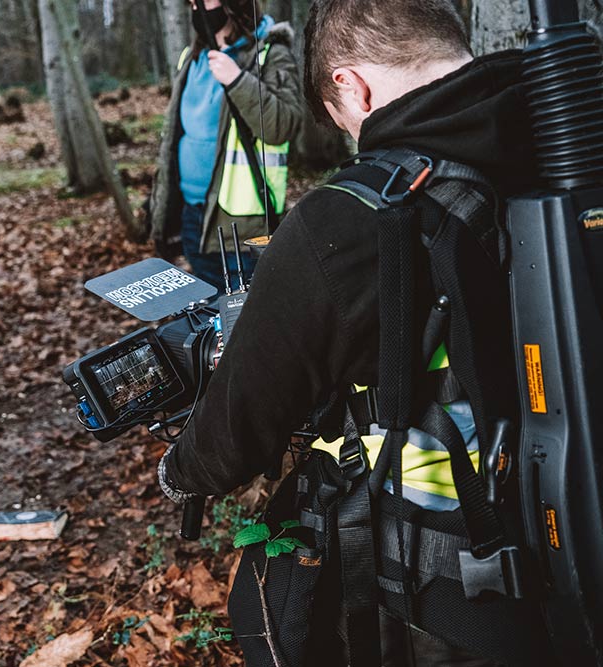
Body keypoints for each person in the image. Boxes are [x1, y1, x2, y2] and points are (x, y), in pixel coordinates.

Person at [158, 0, 552, 664]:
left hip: (445, 597)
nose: (352, 138)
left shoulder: (343, 222)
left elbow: (237, 429)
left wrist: (178, 470)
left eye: (343, 124)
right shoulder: (564, 144)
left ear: (353, 86)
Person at [148, 0, 302, 292]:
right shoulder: (192, 58)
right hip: (194, 218)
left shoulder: (269, 54)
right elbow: (174, 139)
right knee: (212, 322)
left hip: (241, 229)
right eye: (191, 2)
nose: (196, 7)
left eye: (205, 0)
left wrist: (236, 80)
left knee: (245, 326)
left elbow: (283, 125)